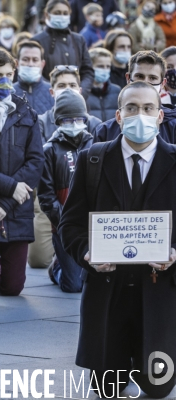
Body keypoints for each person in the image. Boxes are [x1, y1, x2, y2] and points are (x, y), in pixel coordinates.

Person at [59, 81, 176, 399]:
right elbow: (69, 224)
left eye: (148, 108)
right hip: (107, 293)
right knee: (106, 390)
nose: (141, 114)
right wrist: (87, 253)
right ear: (119, 115)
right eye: (132, 108)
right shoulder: (92, 160)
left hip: (159, 295)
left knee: (158, 388)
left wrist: (175, 252)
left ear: (160, 115)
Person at [0, 47, 44, 296]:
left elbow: (35, 161)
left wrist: (7, 200)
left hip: (16, 208)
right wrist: (7, 188)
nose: (3, 82)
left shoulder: (26, 112)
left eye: (7, 75)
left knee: (13, 287)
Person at [38, 90, 92, 293]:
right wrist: (66, 223)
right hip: (62, 226)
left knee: (93, 279)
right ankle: (57, 268)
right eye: (68, 120)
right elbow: (46, 198)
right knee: (73, 285)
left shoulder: (95, 144)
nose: (75, 123)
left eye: (79, 119)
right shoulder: (49, 150)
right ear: (59, 121)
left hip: (91, 225)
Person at [94, 50, 176, 144]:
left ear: (162, 83)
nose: (145, 83)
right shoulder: (105, 131)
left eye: (152, 78)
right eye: (139, 76)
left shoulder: (173, 128)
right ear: (128, 79)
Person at [31, 0, 94, 99]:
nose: (62, 16)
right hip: (49, 100)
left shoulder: (79, 40)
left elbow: (88, 71)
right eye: (57, 13)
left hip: (78, 101)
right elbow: (35, 72)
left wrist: (80, 92)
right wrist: (55, 92)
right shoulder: (37, 41)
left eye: (65, 13)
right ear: (47, 14)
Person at [12, 40, 54, 115]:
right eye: (25, 59)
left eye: (35, 60)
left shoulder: (53, 93)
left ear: (42, 64)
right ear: (17, 63)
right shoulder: (10, 92)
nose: (30, 64)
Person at [87, 47, 121, 122]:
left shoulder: (117, 91)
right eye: (100, 66)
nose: (105, 70)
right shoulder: (83, 92)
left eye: (108, 66)